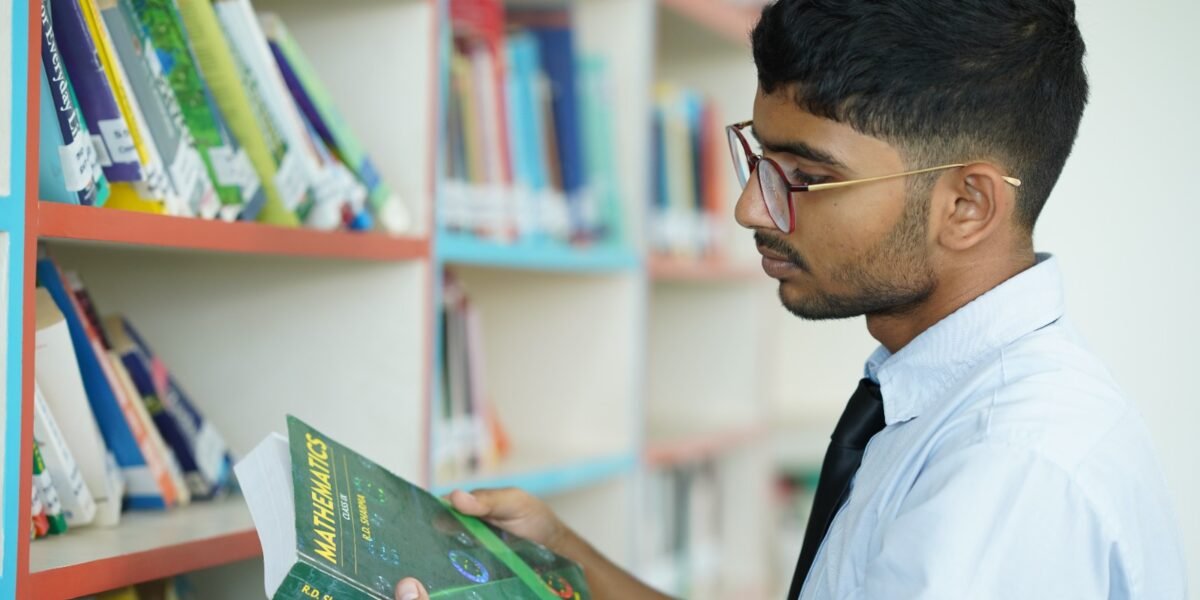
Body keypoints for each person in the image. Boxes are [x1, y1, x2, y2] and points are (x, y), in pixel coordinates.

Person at [398, 0, 1188, 598]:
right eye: (759, 159)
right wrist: (563, 561)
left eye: (806, 177)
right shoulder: (939, 395)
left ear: (967, 206)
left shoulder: (1009, 478)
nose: (750, 208)